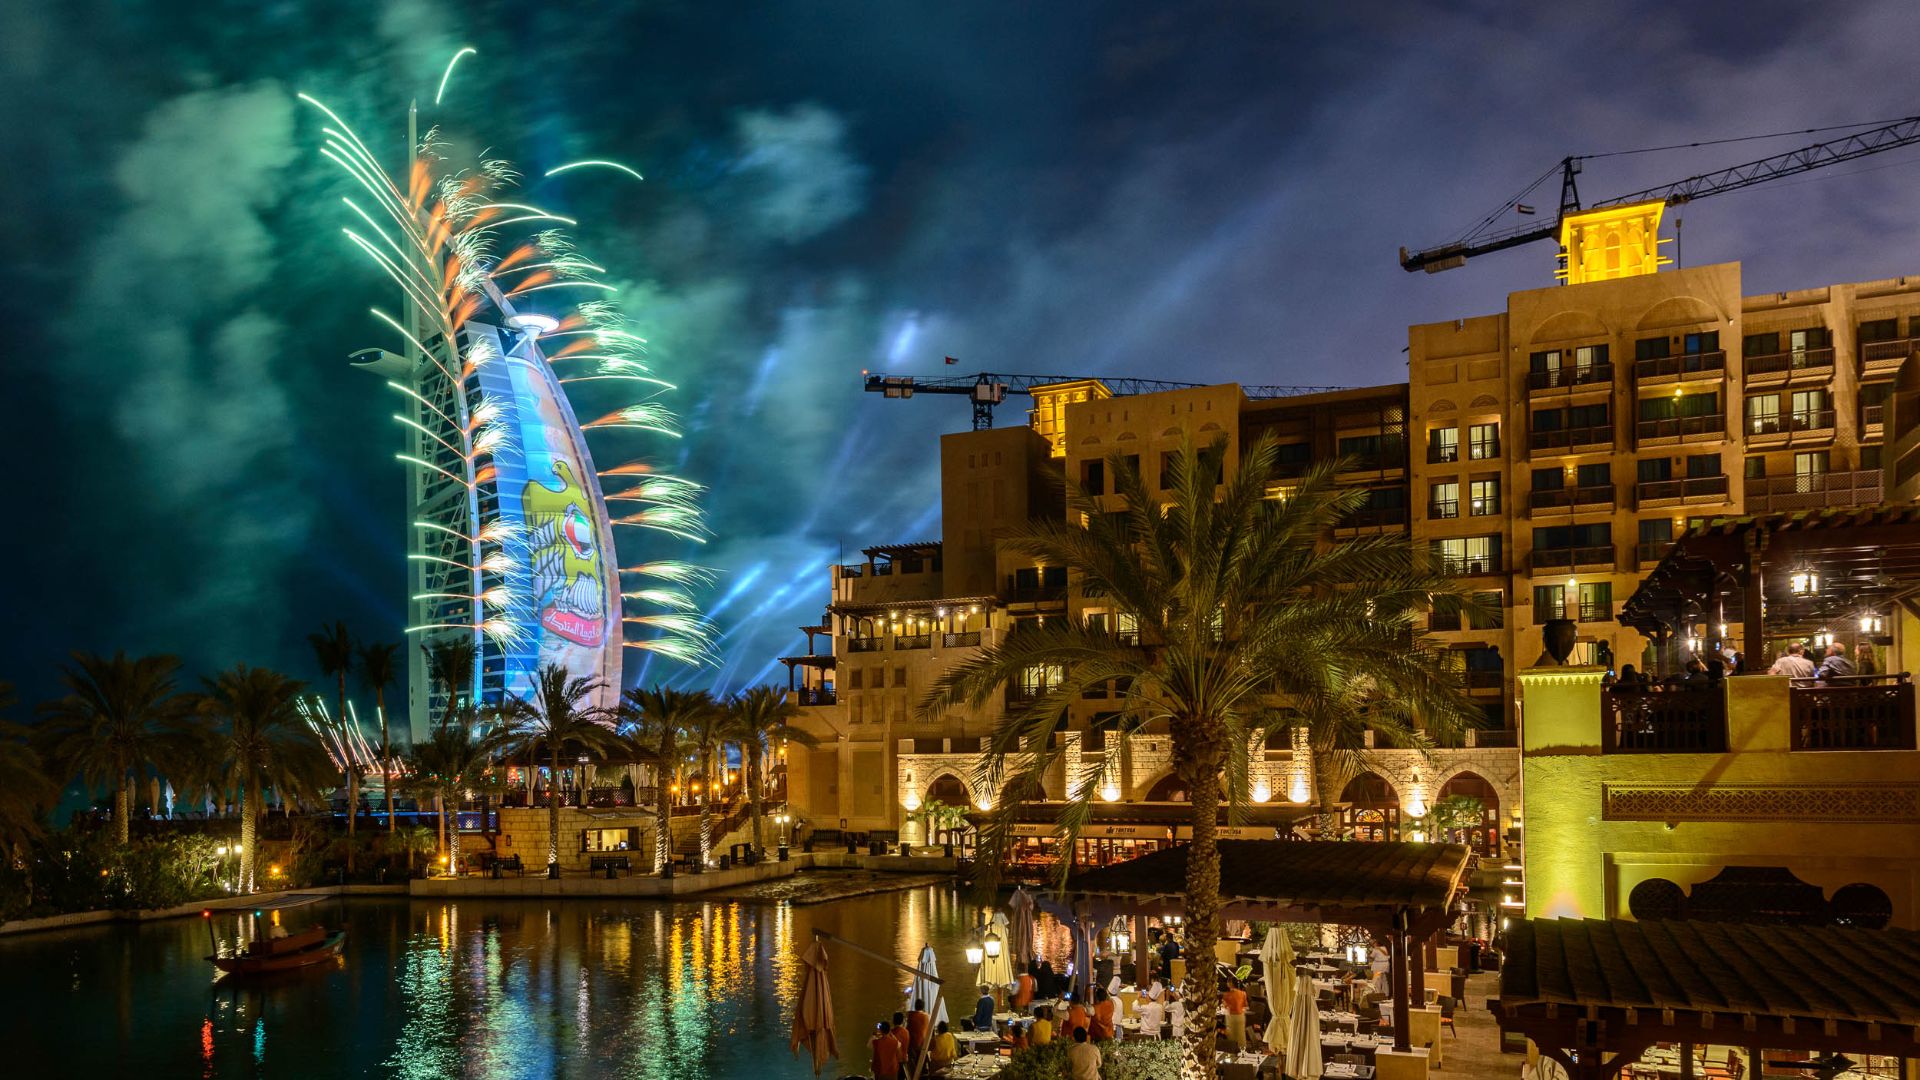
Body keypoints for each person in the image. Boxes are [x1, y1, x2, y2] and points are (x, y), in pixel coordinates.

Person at [1221, 978, 1250, 1050]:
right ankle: (1242, 1051)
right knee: (1241, 1035)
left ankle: (1233, 1051)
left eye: (1228, 982)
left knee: (1231, 1036)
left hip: (1231, 1017)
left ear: (1230, 983)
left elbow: (1224, 1007)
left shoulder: (1226, 995)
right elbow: (1246, 1006)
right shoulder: (1243, 993)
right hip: (1241, 1016)